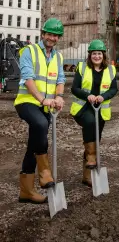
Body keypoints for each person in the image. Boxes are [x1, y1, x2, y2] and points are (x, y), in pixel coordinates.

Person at [14, 18, 65, 204]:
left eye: (55, 35)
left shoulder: (58, 57)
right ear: (43, 34)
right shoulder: (29, 51)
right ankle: (45, 173)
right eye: (49, 34)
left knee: (35, 143)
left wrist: (59, 97)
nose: (52, 38)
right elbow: (28, 78)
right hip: (27, 102)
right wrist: (42, 99)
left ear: (59, 38)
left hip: (47, 105)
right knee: (40, 124)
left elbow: (60, 79)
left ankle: (26, 191)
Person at [70, 39, 117, 187]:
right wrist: (87, 95)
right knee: (90, 123)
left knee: (96, 138)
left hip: (101, 109)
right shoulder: (82, 68)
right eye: (94, 54)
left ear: (104, 55)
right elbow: (74, 88)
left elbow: (114, 89)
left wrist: (104, 96)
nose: (97, 56)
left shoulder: (110, 69)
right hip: (83, 108)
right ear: (90, 55)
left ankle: (87, 175)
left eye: (99, 53)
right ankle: (91, 157)